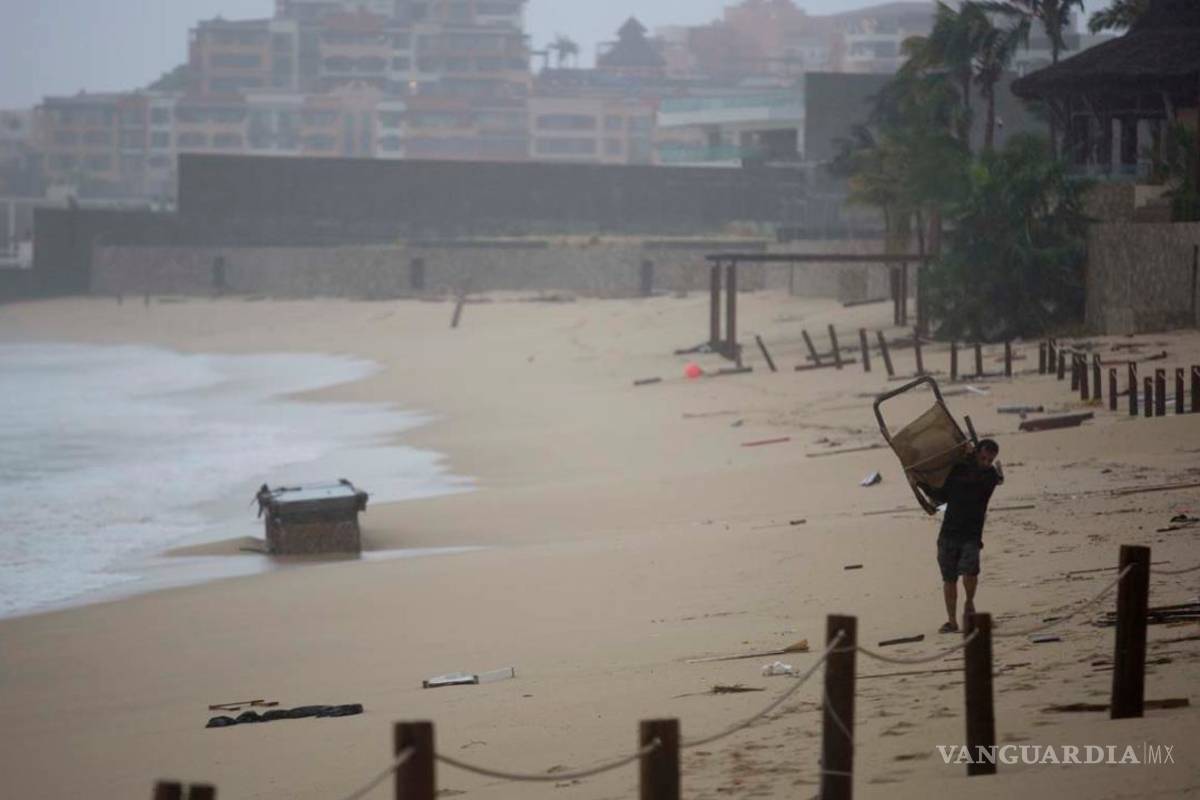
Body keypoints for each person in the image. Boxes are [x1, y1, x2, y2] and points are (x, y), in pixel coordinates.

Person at [923, 439, 1003, 633]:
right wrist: (920, 483)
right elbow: (942, 495)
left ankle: (969, 603)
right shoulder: (958, 469)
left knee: (970, 574)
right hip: (949, 533)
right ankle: (952, 621)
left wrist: (968, 458)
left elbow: (975, 483)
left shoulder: (990, 477)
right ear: (977, 454)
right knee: (949, 579)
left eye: (990, 460)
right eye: (983, 458)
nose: (986, 463)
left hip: (971, 535)